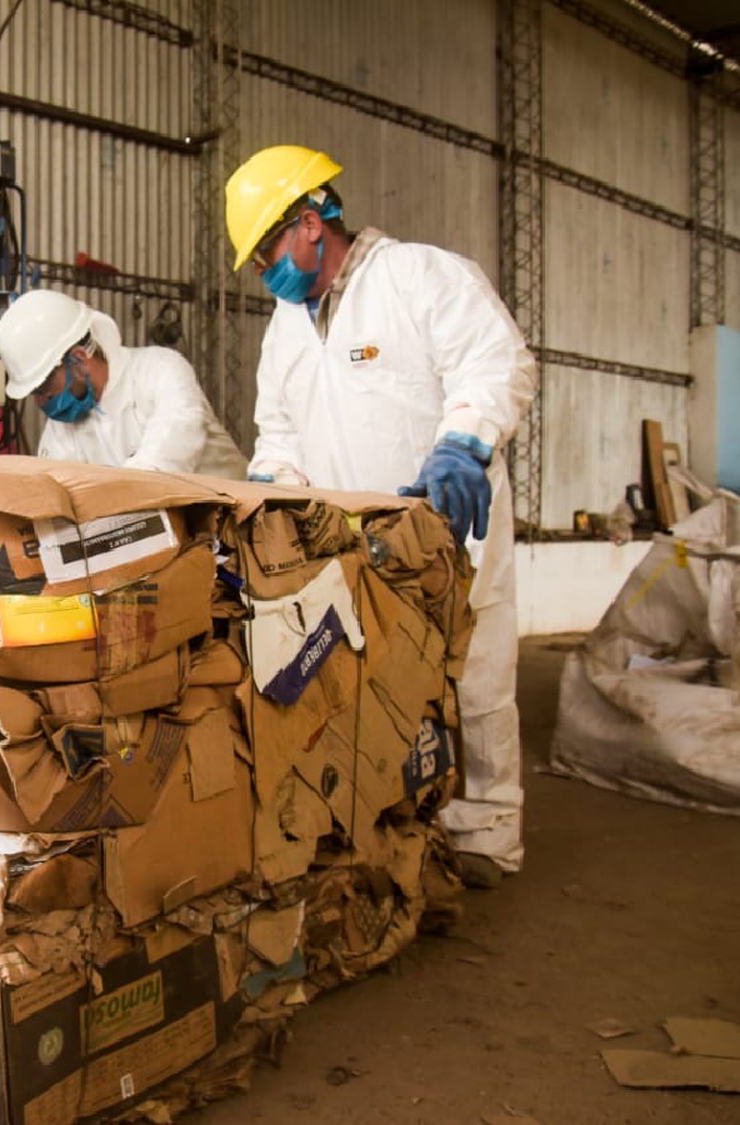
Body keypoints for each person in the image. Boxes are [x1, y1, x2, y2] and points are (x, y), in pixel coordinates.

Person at [225, 145, 537, 889]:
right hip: (353, 546)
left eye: (267, 248)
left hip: (448, 521)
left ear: (310, 222)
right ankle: (392, 825)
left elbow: (498, 362)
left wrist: (462, 443)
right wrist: (272, 492)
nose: (264, 268)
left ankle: (490, 831)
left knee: (477, 676)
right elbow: (280, 433)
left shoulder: (418, 277)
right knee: (368, 689)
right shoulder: (286, 329)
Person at [0, 289, 249, 479]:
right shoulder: (60, 432)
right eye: (34, 393)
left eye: (44, 389)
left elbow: (161, 468)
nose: (40, 402)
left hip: (237, 535)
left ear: (79, 360)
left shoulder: (160, 371)